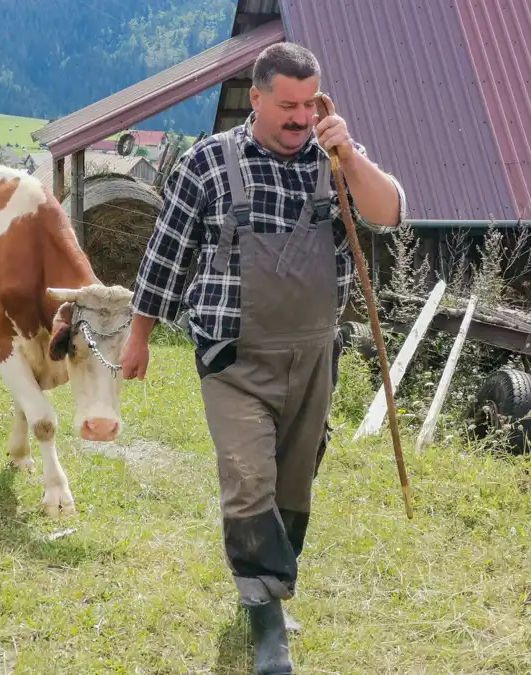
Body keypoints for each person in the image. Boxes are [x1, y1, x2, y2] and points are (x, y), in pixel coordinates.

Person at [120, 42, 406, 674]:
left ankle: (269, 585)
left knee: (292, 482)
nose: (301, 117)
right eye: (287, 106)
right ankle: (267, 612)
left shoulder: (333, 163)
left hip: (312, 354)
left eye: (310, 104)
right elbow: (165, 256)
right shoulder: (208, 165)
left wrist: (350, 153)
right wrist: (139, 336)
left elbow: (389, 214)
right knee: (249, 477)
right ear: (256, 98)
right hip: (232, 356)